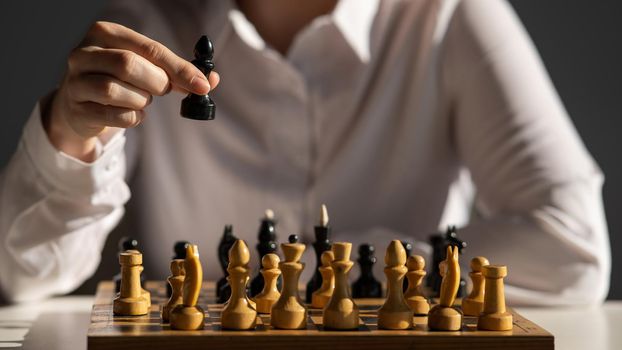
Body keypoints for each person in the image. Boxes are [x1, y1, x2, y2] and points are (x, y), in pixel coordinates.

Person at [0, 0, 610, 305]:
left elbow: (573, 249)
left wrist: (347, 269)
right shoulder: (146, 26)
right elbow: (23, 275)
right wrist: (71, 136)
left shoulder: (447, 15)